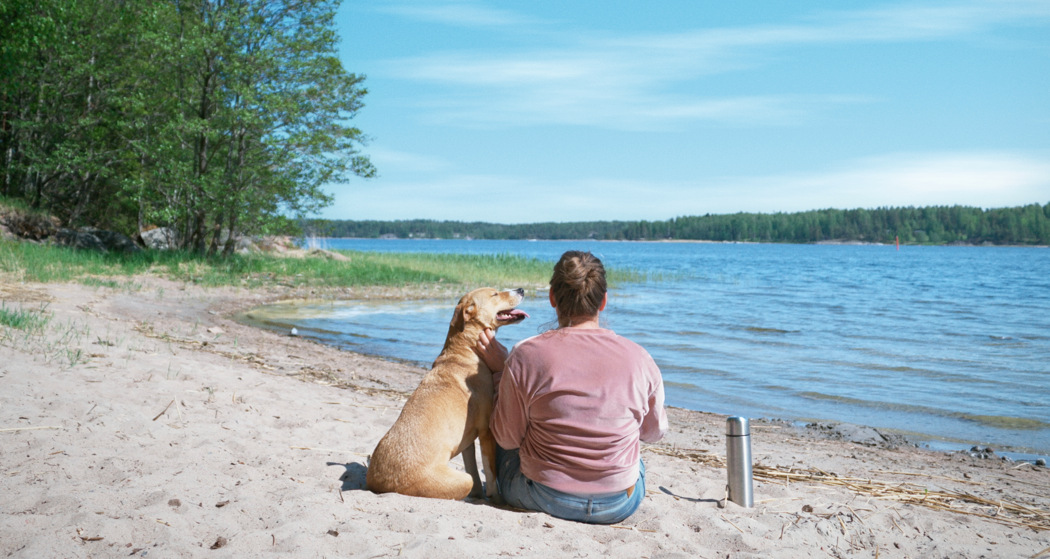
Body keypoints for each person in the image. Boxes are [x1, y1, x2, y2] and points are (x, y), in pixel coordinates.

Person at [475, 250, 667, 524]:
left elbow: (507, 439)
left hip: (543, 495)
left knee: (508, 426)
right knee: (634, 457)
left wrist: (501, 373)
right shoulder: (640, 358)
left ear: (552, 297)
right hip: (618, 504)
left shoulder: (525, 354)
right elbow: (653, 433)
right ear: (603, 302)